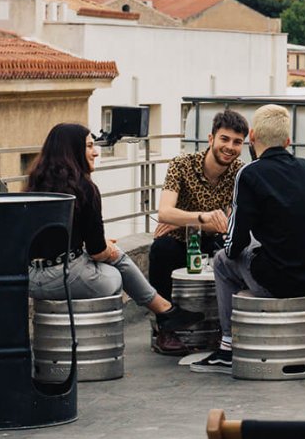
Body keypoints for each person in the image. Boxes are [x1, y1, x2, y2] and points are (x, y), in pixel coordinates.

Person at [191, 104, 305, 375]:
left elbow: (235, 245)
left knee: (221, 261)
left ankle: (227, 346)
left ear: (252, 137)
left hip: (279, 284)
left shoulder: (250, 173)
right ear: (288, 141)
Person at [26, 122, 203, 335]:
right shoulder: (85, 189)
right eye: (90, 146)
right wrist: (107, 248)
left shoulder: (34, 186)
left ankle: (165, 311)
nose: (96, 152)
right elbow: (97, 252)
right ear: (73, 150)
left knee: (114, 258)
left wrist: (102, 247)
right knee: (113, 275)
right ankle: (162, 313)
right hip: (63, 276)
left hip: (31, 278)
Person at [147, 109, 248, 355]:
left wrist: (182, 219)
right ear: (211, 138)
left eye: (237, 142)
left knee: (234, 255)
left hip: (214, 242)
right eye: (224, 139)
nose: (230, 147)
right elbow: (164, 213)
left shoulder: (241, 172)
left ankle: (222, 331)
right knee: (160, 250)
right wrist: (202, 217)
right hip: (179, 243)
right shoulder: (182, 165)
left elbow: (225, 224)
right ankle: (165, 330)